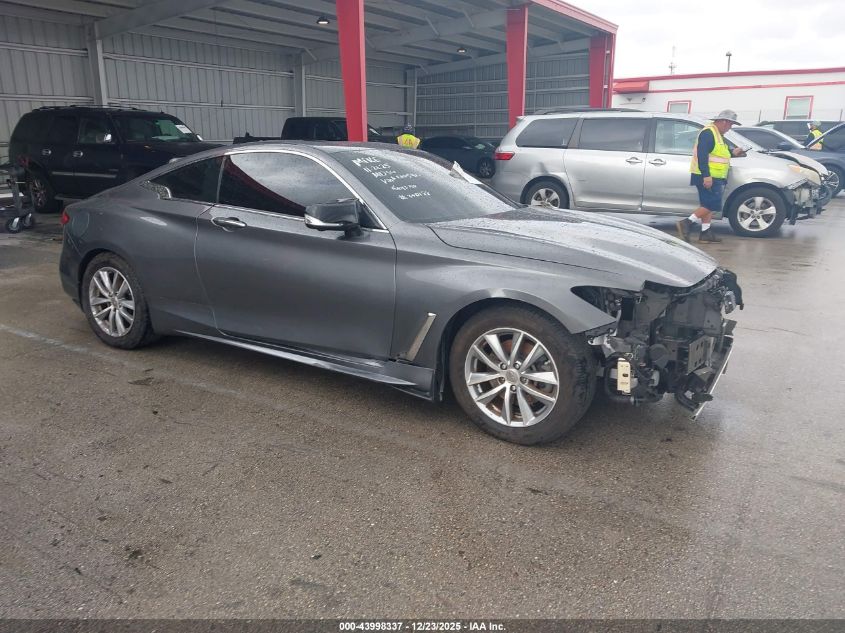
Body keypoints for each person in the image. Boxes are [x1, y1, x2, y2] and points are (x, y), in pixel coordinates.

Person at [677, 109, 747, 243]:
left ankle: (705, 233)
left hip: (713, 175)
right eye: (730, 124)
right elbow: (702, 155)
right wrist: (706, 176)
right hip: (707, 176)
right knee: (713, 204)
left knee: (707, 204)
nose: (730, 128)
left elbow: (719, 153)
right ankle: (687, 223)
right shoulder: (709, 133)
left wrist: (733, 152)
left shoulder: (717, 134)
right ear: (724, 122)